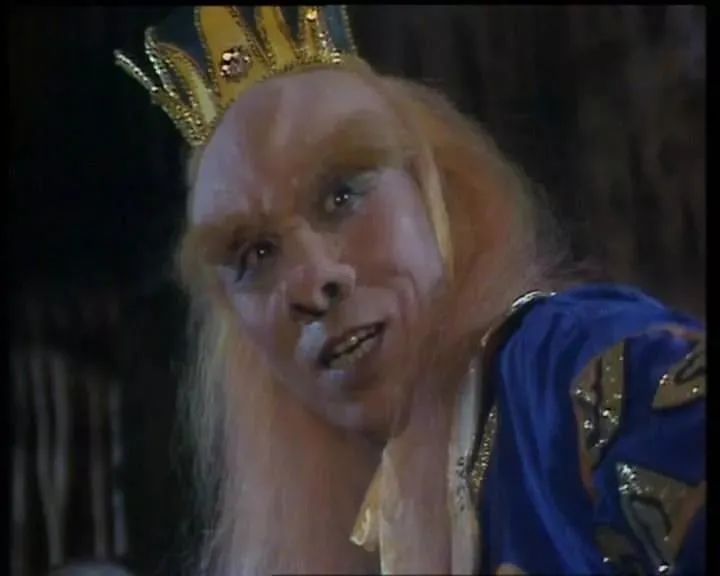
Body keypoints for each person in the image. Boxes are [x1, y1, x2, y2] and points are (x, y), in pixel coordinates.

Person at [115, 6, 706, 575]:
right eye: (256, 256)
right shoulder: (353, 525)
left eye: (342, 196)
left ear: (436, 193)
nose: (313, 283)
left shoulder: (570, 372)